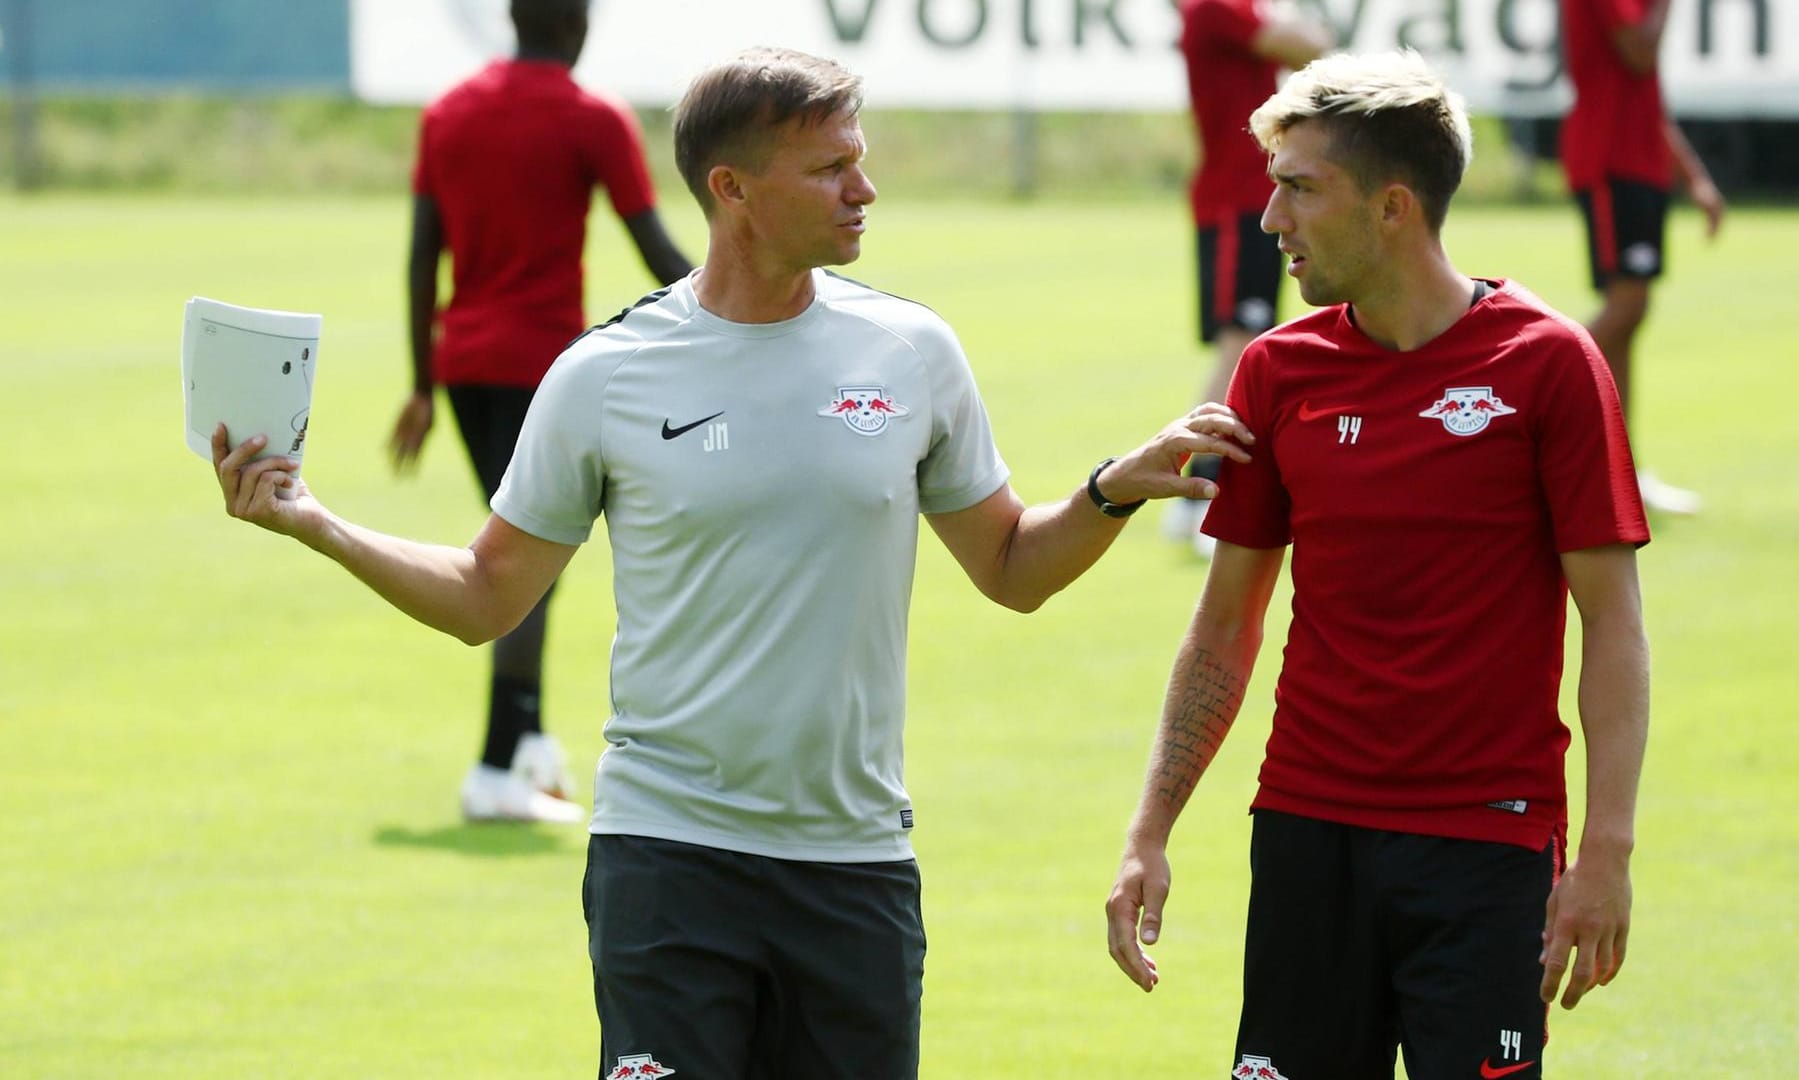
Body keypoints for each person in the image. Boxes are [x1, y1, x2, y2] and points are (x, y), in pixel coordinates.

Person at [213, 46, 1253, 1079]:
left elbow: (1012, 567)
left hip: (854, 869)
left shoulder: (912, 353)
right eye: (832, 168)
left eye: (861, 158)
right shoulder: (602, 376)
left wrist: (1113, 487)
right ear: (733, 190)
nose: (866, 188)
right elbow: (489, 596)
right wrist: (319, 524)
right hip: (667, 861)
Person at [1104, 51, 1652, 1079]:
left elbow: (1613, 624)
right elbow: (1225, 626)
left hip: (1486, 849)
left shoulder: (1546, 364)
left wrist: (1606, 853)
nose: (1272, 221)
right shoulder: (1277, 371)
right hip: (1308, 837)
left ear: (1393, 206)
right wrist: (1151, 828)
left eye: (1301, 189)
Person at [388, 0, 694, 823]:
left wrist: (420, 383)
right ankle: (497, 769)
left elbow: (425, 254)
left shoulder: (449, 111)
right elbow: (656, 250)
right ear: (576, 25)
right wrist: (752, 305)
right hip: (544, 369)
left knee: (526, 559)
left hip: (463, 366)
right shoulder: (591, 116)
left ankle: (525, 750)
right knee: (527, 567)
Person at [1164, 0, 1330, 557]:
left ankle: (1194, 495)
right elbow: (1310, 45)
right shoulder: (1218, 7)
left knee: (1243, 343)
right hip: (1237, 201)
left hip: (1239, 198)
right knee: (1241, 343)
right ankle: (1194, 497)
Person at [1559, 0, 1724, 515]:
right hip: (1611, 159)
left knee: (1630, 317)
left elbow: (1644, 91)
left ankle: (1621, 472)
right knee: (1626, 307)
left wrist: (1691, 173)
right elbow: (1638, 51)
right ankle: (1522, 391)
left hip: (1638, 160)